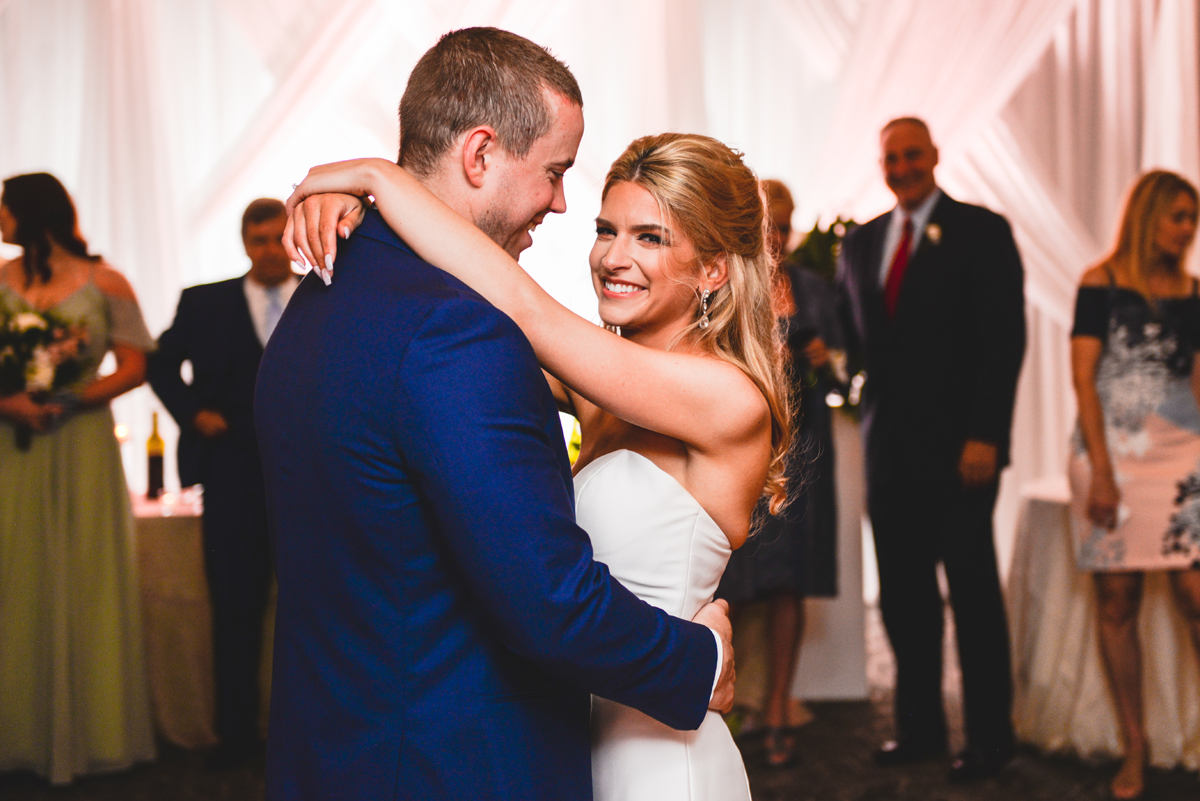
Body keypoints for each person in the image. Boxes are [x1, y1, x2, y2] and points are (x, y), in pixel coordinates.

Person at [254, 29, 742, 800]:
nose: (559, 200)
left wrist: (378, 186)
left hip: (340, 747)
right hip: (450, 762)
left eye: (651, 236)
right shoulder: (460, 332)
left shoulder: (321, 297)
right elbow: (549, 603)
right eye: (554, 173)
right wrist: (701, 662)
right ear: (480, 155)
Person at [837, 117, 1026, 781]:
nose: (904, 166)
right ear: (881, 164)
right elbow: (854, 348)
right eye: (892, 156)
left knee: (972, 597)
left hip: (962, 455)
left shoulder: (981, 230)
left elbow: (1005, 342)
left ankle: (990, 739)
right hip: (887, 454)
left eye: (913, 154)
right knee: (904, 600)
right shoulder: (858, 246)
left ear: (936, 156)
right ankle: (917, 728)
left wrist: (987, 434)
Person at [0, 172, 156, 784]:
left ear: (33, 214)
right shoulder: (1, 282)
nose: (0, 223)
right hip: (13, 446)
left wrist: (73, 397)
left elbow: (137, 365)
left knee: (85, 572)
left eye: (6, 211)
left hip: (81, 441)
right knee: (17, 573)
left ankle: (92, 732)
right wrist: (11, 402)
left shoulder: (106, 282)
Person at [147, 198, 297, 770]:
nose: (269, 249)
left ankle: (306, 731)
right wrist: (193, 413)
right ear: (244, 243)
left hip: (308, 472)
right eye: (258, 240)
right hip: (232, 470)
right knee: (235, 606)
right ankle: (235, 739)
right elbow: (160, 365)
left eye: (278, 238)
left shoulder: (324, 292)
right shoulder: (204, 302)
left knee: (316, 605)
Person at [1068, 170, 1200, 800]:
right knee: (1117, 599)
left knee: (1196, 595)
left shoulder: (1194, 291)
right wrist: (1101, 471)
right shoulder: (1100, 282)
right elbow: (1083, 379)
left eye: (1193, 219)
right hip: (1111, 449)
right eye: (1179, 216)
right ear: (1149, 214)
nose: (1188, 229)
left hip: (1181, 453)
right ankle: (1135, 747)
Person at [716, 178, 840, 767]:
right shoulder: (724, 282)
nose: (776, 237)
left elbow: (845, 370)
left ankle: (779, 706)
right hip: (741, 448)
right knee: (729, 579)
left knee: (789, 580)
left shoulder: (815, 289)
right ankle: (721, 706)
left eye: (784, 227)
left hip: (802, 452)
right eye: (767, 226)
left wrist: (826, 361)